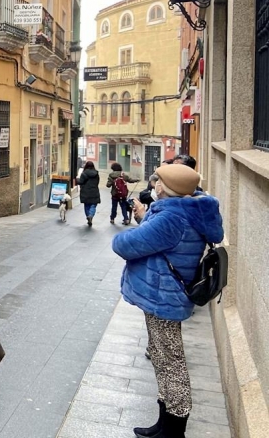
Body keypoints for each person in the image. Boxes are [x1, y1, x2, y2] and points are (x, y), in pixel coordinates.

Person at [112, 164, 223, 438]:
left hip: (165, 296)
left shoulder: (172, 217)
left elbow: (124, 244)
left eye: (158, 181)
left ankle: (174, 429)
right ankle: (163, 424)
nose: (154, 184)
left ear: (164, 186)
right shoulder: (187, 210)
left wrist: (142, 221)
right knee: (162, 357)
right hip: (166, 294)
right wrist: (147, 215)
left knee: (171, 362)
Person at [76, 161, 101, 226]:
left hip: (85, 192)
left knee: (87, 205)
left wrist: (77, 180)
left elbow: (81, 182)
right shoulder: (96, 173)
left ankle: (88, 216)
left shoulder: (84, 173)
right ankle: (90, 215)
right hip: (94, 191)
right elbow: (97, 182)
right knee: (93, 205)